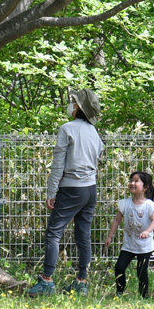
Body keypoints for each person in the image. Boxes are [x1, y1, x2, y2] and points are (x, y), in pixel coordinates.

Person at [27, 89, 104, 297]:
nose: (70, 104)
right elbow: (99, 154)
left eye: (72, 101)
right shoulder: (93, 131)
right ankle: (82, 282)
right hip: (91, 189)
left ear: (78, 107)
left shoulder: (67, 129)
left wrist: (51, 192)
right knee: (83, 235)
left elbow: (58, 164)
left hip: (71, 188)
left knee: (54, 232)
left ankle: (47, 281)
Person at [105, 171, 154, 298]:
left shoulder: (149, 205)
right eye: (131, 180)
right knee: (119, 268)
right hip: (128, 245)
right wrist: (109, 236)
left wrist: (147, 231)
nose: (132, 183)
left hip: (144, 246)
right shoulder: (125, 204)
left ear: (145, 187)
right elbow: (117, 220)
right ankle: (119, 292)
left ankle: (143, 296)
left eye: (136, 181)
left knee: (142, 272)